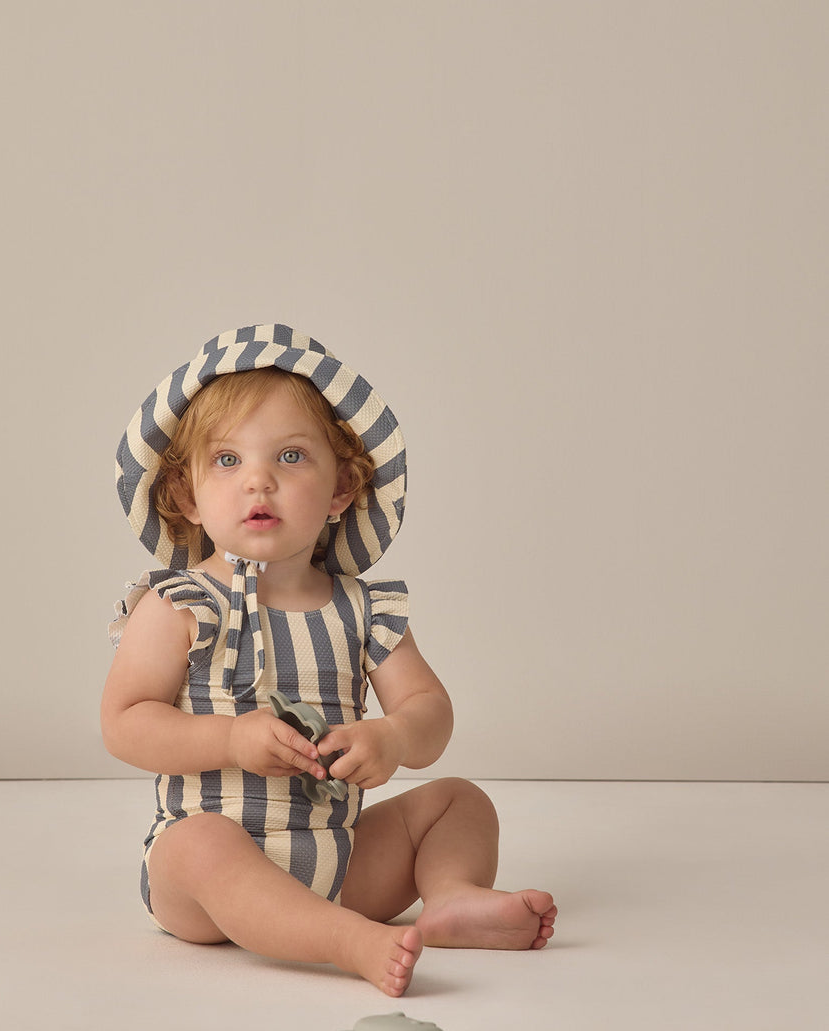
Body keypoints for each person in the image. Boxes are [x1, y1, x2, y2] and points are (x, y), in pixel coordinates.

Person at [102, 325, 556, 996]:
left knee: (460, 802)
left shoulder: (363, 609)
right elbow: (124, 722)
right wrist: (229, 738)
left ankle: (451, 896)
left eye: (290, 456)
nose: (259, 480)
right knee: (199, 844)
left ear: (341, 488)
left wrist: (393, 736)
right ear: (188, 493)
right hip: (206, 885)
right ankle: (344, 940)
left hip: (338, 861)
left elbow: (429, 710)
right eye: (226, 459)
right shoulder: (181, 604)